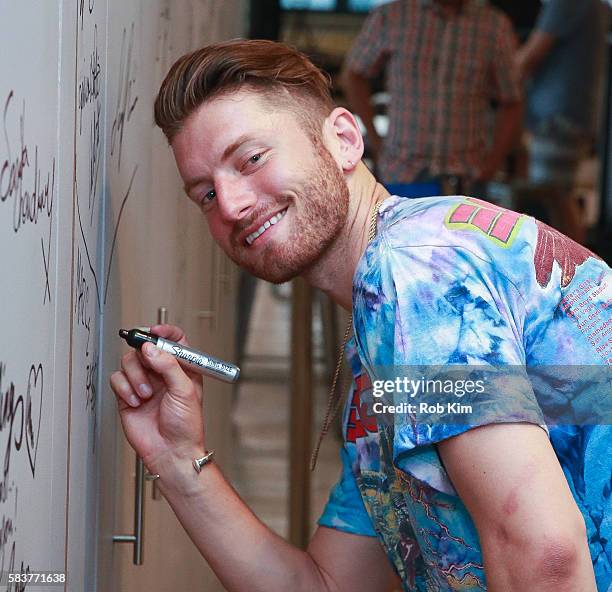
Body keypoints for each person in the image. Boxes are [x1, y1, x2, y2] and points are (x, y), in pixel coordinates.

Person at [110, 40, 611, 591]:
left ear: (344, 139)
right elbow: (324, 585)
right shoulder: (387, 345)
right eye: (205, 193)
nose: (230, 206)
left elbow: (544, 561)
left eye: (251, 159)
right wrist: (178, 459)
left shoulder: (418, 274)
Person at [341, 0, 523, 194]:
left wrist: (492, 163)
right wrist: (376, 142)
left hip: (467, 178)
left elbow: (511, 99)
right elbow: (353, 75)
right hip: (401, 171)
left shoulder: (494, 25)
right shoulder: (391, 16)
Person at [515, 0, 611, 242]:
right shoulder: (595, 5)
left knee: (553, 198)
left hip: (557, 117)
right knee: (559, 198)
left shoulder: (567, 2)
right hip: (573, 112)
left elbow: (529, 57)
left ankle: (573, 272)